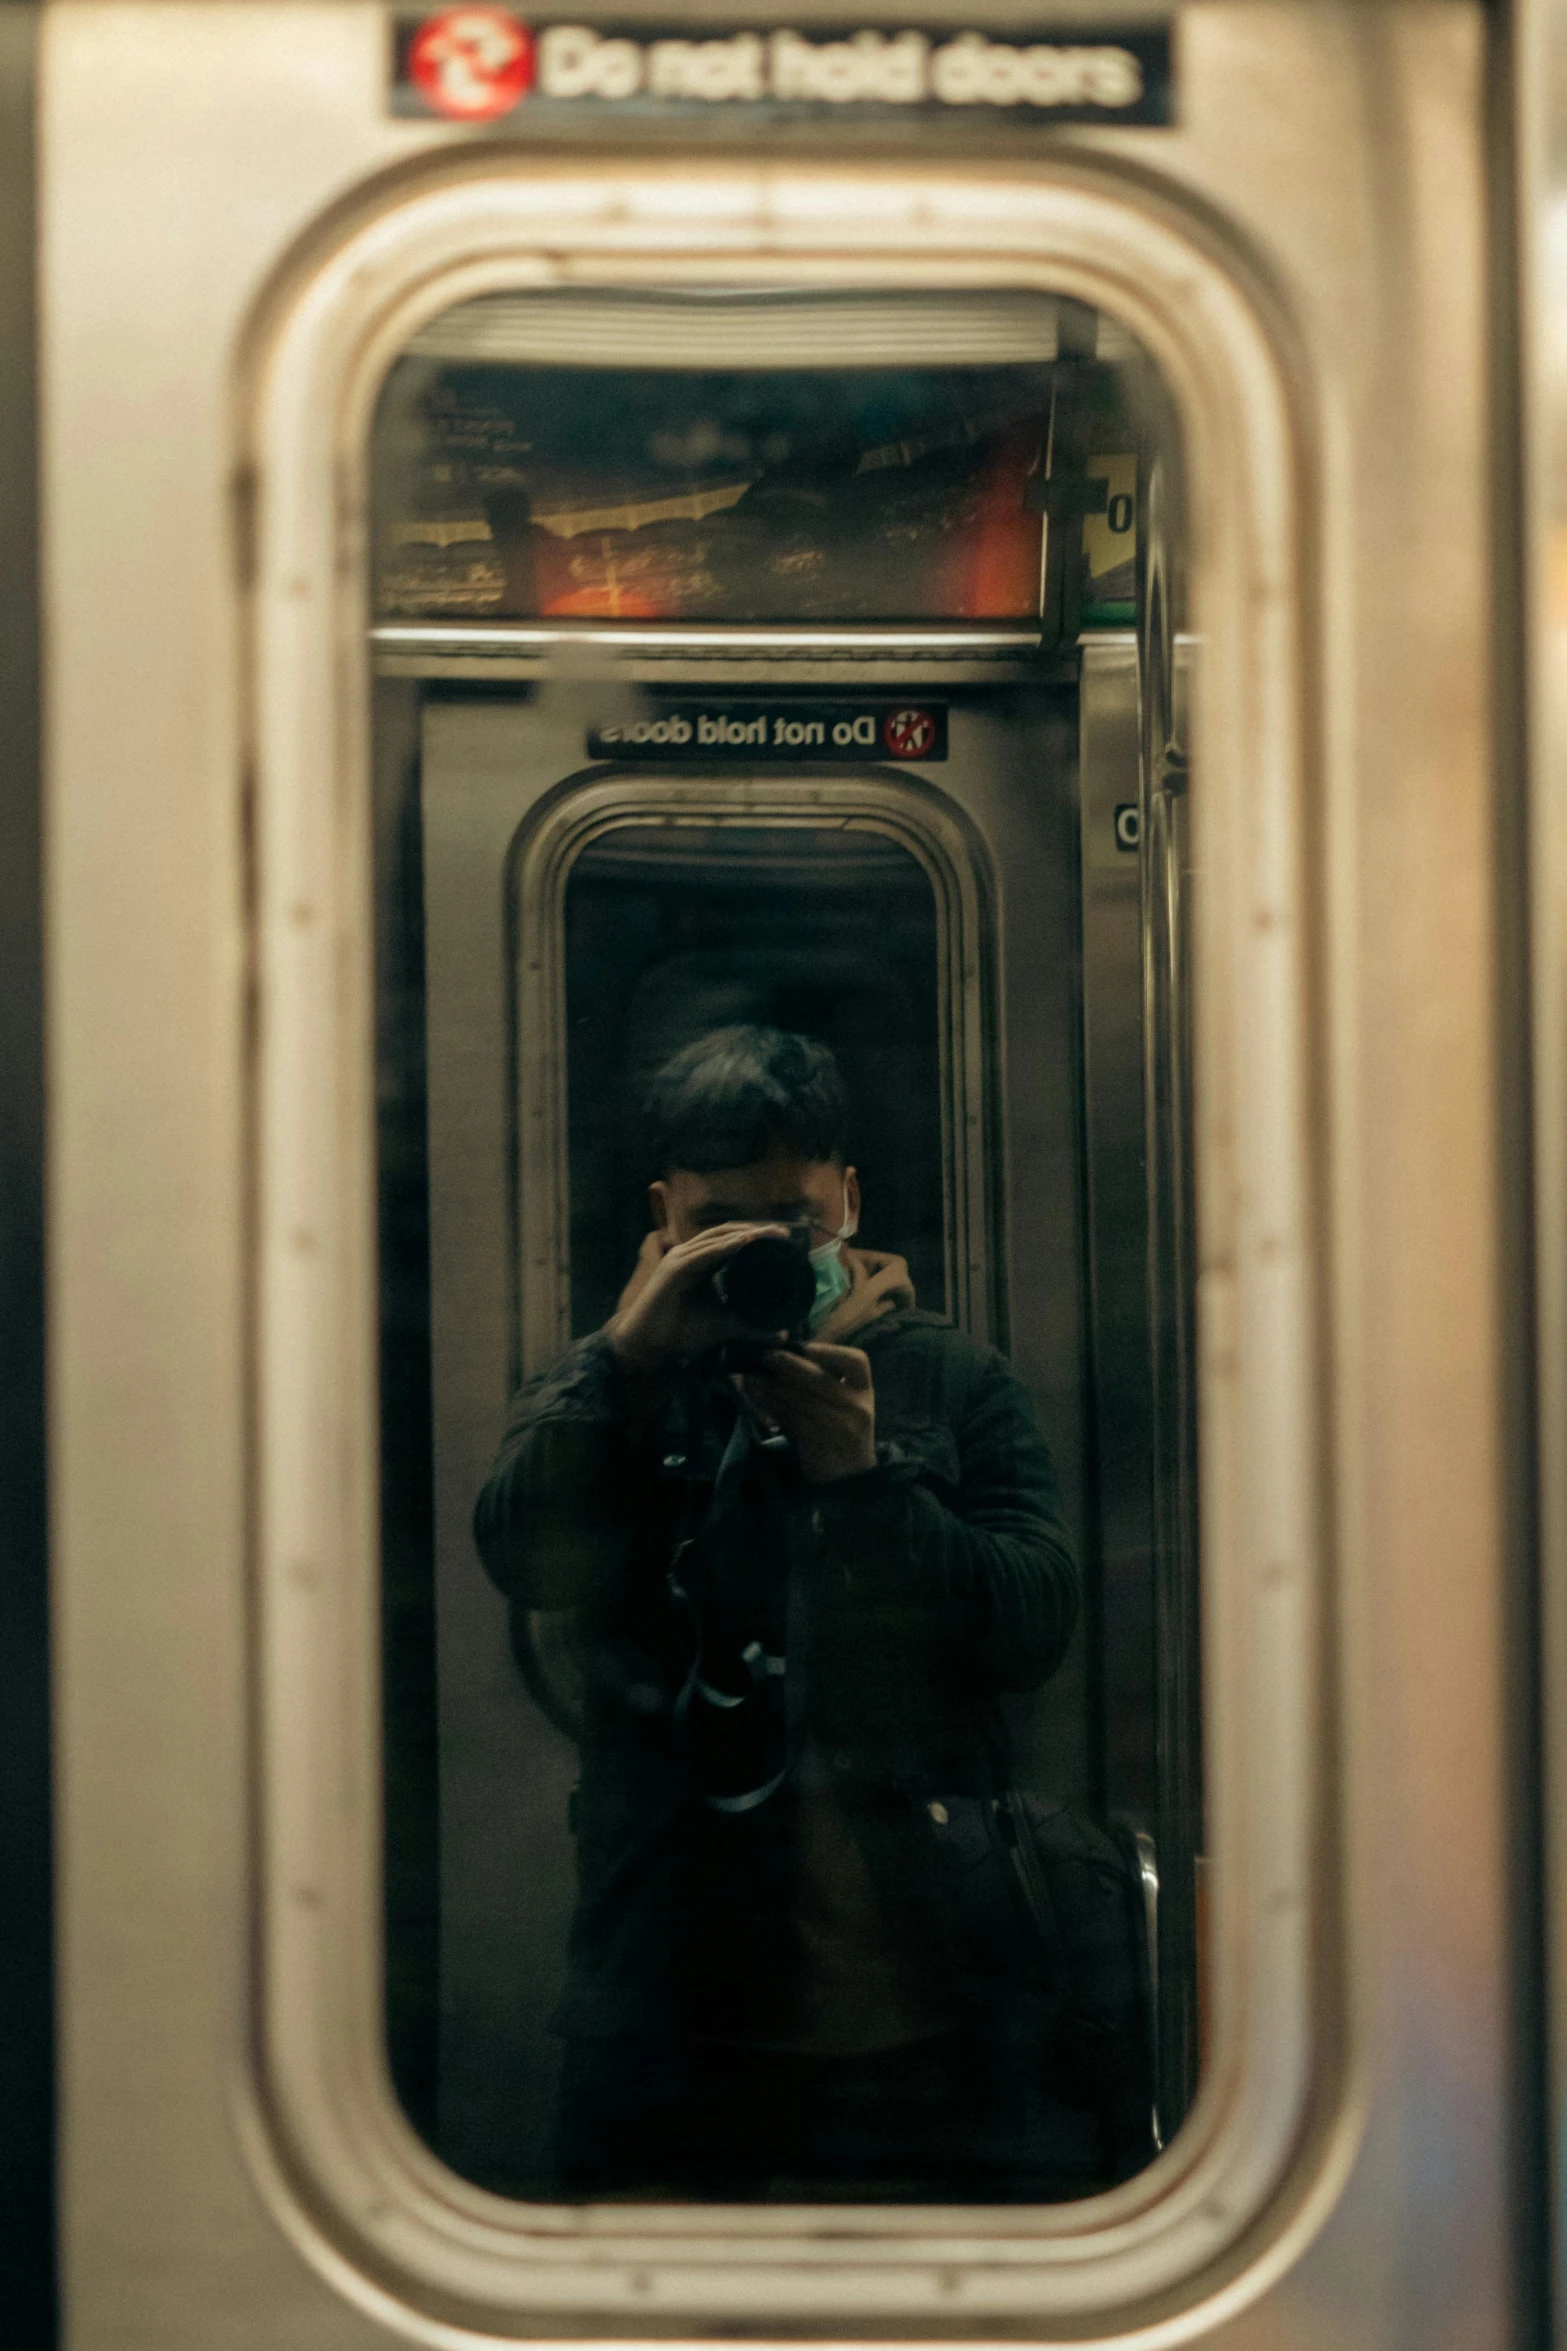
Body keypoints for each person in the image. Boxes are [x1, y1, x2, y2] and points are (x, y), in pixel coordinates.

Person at [473, 1024, 1093, 2200]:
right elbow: (524, 1556)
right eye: (723, 1229)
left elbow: (1035, 1625)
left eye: (793, 1225)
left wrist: (863, 1477)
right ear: (663, 1219)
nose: (764, 1259)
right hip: (660, 2010)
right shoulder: (609, 1381)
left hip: (916, 2006)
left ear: (849, 1200)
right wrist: (624, 1367)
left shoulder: (949, 1378)